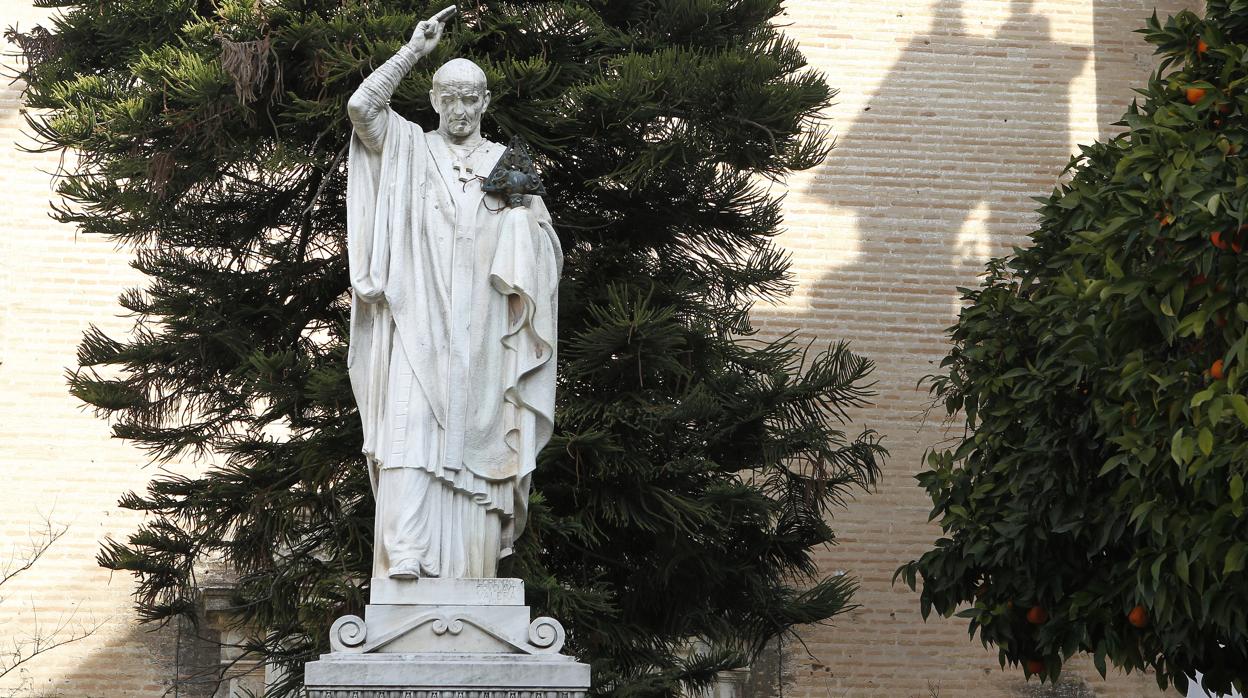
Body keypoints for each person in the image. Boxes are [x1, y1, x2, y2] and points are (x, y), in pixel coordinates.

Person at [345, 7, 561, 581]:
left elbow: (547, 251)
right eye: (450, 98)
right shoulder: (407, 146)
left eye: (472, 99)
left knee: (483, 434)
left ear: (485, 103)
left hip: (485, 328)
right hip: (417, 314)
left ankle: (474, 566)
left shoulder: (508, 165)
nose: (461, 110)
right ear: (435, 100)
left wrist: (521, 229)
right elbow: (363, 108)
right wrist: (414, 51)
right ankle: (406, 551)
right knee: (409, 427)